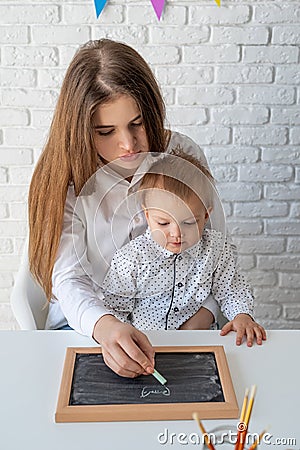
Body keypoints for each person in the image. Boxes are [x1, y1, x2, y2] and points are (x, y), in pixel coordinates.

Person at [27, 39, 260, 380]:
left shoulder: (181, 155)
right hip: (92, 325)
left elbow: (215, 254)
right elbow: (68, 278)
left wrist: (201, 319)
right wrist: (106, 327)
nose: (128, 145)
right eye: (105, 131)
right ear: (80, 131)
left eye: (137, 124)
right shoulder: (65, 180)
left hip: (187, 320)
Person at [101, 149, 266, 343]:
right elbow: (115, 309)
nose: (176, 234)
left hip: (201, 342)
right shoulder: (130, 259)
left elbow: (231, 289)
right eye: (163, 223)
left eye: (189, 223)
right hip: (148, 343)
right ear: (147, 215)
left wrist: (242, 315)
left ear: (206, 215)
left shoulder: (216, 249)